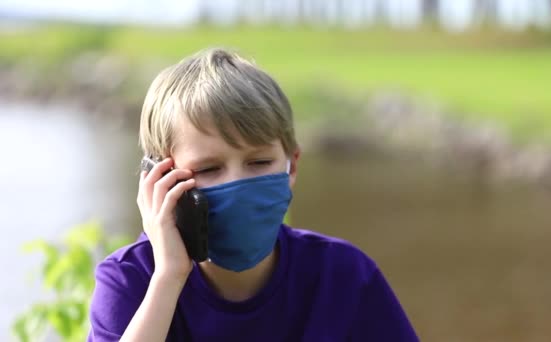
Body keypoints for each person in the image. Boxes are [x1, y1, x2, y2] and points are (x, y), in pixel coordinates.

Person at [87, 48, 419, 341]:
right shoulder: (129, 280)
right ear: (159, 182)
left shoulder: (344, 275)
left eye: (259, 162)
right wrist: (168, 278)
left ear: (291, 167)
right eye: (207, 169)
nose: (238, 182)